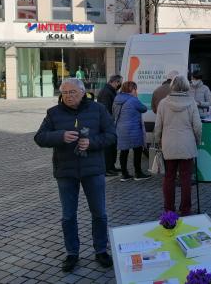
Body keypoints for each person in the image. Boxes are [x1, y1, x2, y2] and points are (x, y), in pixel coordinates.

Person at [34, 78, 116, 272]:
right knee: (68, 216)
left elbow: (112, 135)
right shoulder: (53, 113)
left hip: (93, 170)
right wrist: (60, 136)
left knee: (99, 213)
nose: (69, 96)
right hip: (65, 171)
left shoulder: (98, 109)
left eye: (73, 92)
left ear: (82, 92)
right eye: (65, 93)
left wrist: (92, 143)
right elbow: (39, 137)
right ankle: (72, 253)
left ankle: (101, 250)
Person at [154, 75, 202, 216]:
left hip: (169, 144)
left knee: (169, 177)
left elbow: (158, 126)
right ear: (186, 86)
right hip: (187, 144)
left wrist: (158, 141)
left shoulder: (163, 103)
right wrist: (197, 141)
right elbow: (198, 126)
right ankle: (185, 209)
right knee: (186, 178)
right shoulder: (191, 102)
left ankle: (169, 209)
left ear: (172, 86)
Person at [113, 81, 150, 181]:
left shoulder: (116, 99)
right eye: (135, 89)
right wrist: (136, 98)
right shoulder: (133, 100)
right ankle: (138, 173)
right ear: (132, 89)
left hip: (120, 129)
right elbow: (144, 109)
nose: (136, 91)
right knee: (137, 150)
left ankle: (124, 174)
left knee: (123, 151)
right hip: (133, 129)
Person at [97, 75, 123, 176]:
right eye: (119, 83)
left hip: (111, 124)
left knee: (112, 147)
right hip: (106, 124)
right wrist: (110, 122)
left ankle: (111, 166)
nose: (119, 85)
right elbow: (106, 110)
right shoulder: (106, 92)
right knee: (107, 148)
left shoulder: (111, 91)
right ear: (115, 82)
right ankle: (106, 169)